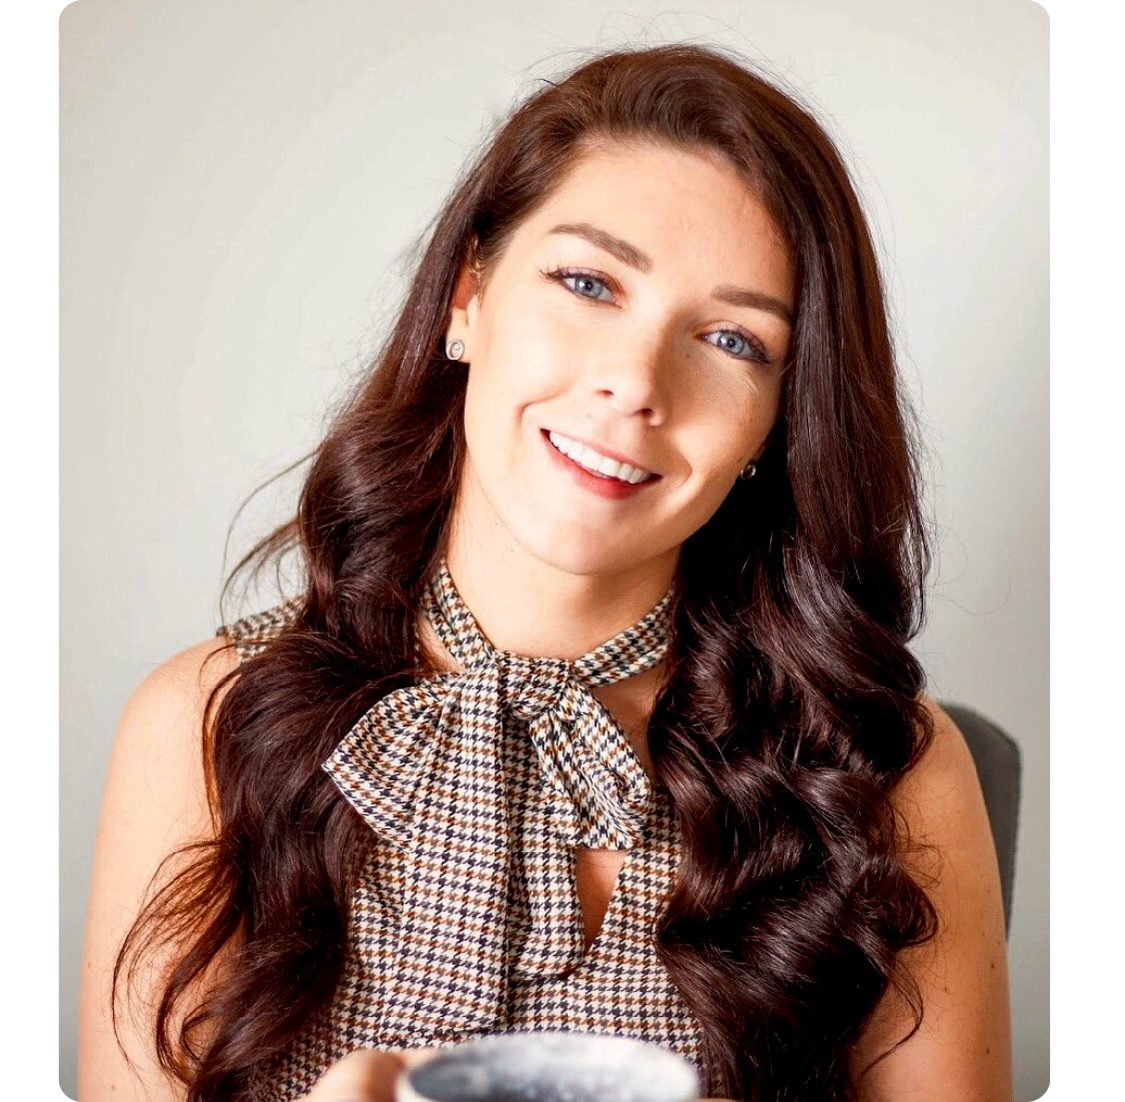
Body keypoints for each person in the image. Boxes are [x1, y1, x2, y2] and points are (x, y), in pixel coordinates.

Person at [77, 43, 1012, 1102]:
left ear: (778, 421)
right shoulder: (199, 723)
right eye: (586, 282)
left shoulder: (891, 771)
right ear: (467, 297)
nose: (634, 382)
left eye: (732, 339)